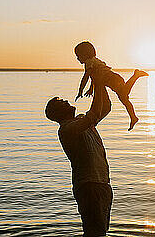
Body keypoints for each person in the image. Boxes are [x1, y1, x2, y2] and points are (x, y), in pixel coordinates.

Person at [45, 85, 113, 237]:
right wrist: (98, 80)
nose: (67, 101)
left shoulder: (82, 120)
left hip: (102, 183)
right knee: (95, 233)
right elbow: (94, 113)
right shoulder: (67, 129)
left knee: (100, 231)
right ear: (58, 113)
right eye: (62, 102)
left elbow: (105, 107)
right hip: (88, 186)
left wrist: (99, 84)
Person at [74, 41, 147, 130]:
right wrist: (91, 89)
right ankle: (133, 117)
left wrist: (80, 91)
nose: (77, 58)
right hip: (114, 78)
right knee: (124, 98)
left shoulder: (88, 62)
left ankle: (136, 75)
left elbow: (86, 77)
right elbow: (94, 77)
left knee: (124, 94)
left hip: (112, 79)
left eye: (78, 56)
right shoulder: (95, 61)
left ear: (85, 55)